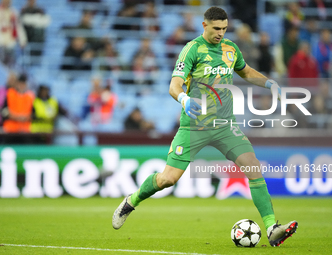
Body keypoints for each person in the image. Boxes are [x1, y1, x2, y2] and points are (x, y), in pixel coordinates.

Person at [112, 7, 298, 247]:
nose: (221, 33)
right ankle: (131, 201)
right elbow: (174, 85)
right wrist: (184, 99)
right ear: (204, 25)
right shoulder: (192, 49)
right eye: (216, 28)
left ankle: (272, 227)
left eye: (224, 28)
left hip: (224, 125)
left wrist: (269, 83)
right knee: (167, 179)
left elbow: (246, 71)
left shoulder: (231, 49)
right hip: (194, 127)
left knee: (253, 167)